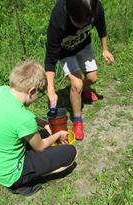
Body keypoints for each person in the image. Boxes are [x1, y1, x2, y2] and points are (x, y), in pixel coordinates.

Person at [0, 60, 77, 196]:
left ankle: (21, 176)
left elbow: (18, 115)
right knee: (71, 153)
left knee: (37, 139)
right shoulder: (25, 119)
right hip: (10, 174)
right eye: (40, 94)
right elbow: (40, 146)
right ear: (32, 91)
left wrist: (43, 123)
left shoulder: (0, 91)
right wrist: (58, 134)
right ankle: (22, 183)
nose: (38, 98)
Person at [45, 0, 114, 141]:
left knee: (93, 78)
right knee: (77, 84)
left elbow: (101, 27)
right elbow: (50, 57)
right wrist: (50, 89)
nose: (81, 26)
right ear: (69, 13)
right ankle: (77, 120)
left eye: (85, 23)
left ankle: (83, 90)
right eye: (77, 23)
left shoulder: (95, 7)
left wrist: (105, 49)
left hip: (84, 45)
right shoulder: (58, 18)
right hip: (65, 52)